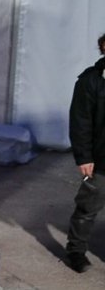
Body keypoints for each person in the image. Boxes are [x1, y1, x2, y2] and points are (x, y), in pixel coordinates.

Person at [64, 32, 105, 273]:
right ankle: (76, 251)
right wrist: (84, 157)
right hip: (100, 160)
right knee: (87, 208)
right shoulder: (90, 81)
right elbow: (80, 121)